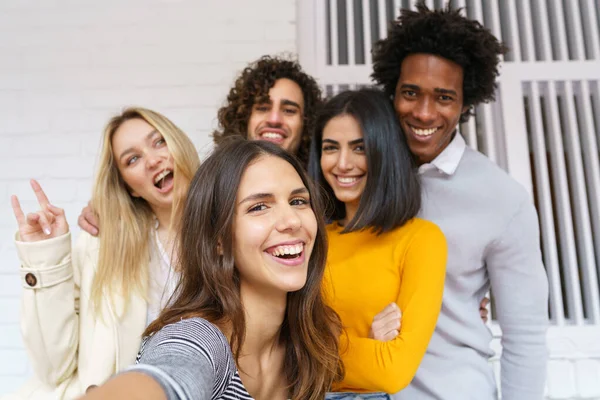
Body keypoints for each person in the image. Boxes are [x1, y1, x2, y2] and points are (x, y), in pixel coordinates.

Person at [371, 2, 549, 399]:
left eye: (444, 97)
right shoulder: (357, 175)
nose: (423, 112)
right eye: (410, 93)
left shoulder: (504, 200)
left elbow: (525, 337)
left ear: (466, 103)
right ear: (392, 92)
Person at [79, 137, 344, 400]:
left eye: (298, 201)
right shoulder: (201, 340)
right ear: (218, 240)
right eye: (259, 207)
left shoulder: (316, 336)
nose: (291, 221)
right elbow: (171, 371)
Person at [6, 108, 200, 399]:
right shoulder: (102, 245)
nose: (152, 160)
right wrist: (46, 255)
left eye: (159, 142)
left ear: (179, 143)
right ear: (128, 187)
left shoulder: (237, 232)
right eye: (132, 159)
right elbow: (52, 368)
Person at [78, 55, 323, 235]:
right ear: (244, 117)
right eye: (262, 107)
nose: (274, 119)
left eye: (289, 110)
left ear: (306, 122)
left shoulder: (325, 190)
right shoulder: (212, 187)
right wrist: (105, 210)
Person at [308, 88, 447, 400]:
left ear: (384, 152)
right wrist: (366, 345)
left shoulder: (421, 240)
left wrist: (315, 344)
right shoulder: (309, 239)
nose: (342, 164)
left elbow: (393, 370)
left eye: (359, 148)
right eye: (331, 148)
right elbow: (276, 353)